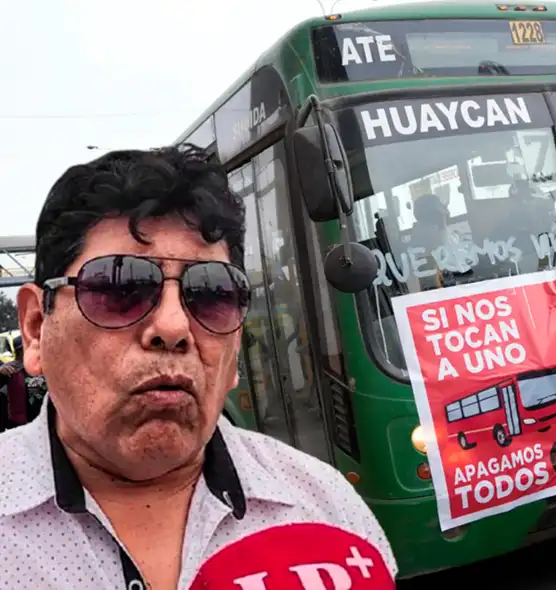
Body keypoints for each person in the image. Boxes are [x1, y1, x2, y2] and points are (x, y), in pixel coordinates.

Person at [0, 145, 396, 590]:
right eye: (120, 286)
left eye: (212, 294)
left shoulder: (327, 509)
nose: (174, 326)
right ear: (35, 327)